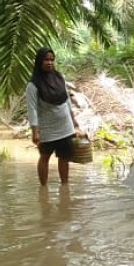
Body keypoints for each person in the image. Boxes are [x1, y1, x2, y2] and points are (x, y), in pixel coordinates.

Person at [26, 47, 82, 186]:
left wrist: (74, 123)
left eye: (52, 60)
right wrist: (35, 131)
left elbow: (67, 101)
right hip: (48, 129)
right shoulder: (33, 85)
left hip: (65, 127)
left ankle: (65, 187)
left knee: (64, 158)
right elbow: (32, 109)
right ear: (39, 61)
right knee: (44, 157)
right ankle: (43, 189)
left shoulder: (59, 77)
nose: (50, 62)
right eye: (46, 60)